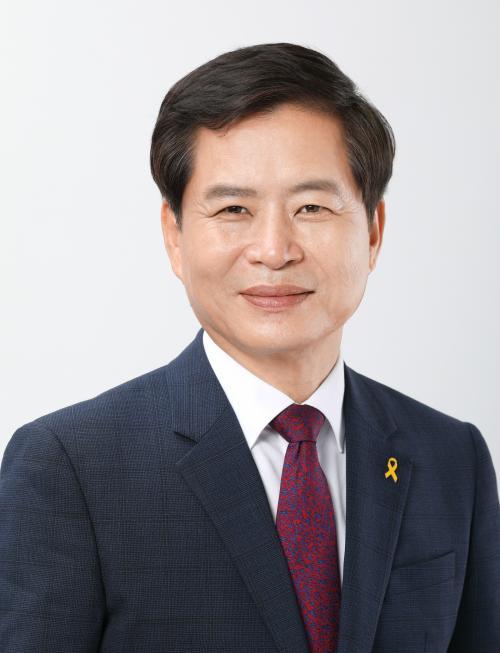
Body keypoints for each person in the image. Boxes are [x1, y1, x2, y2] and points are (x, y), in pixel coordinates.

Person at [1, 42, 498, 653]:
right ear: (175, 236)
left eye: (311, 207)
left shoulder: (451, 458)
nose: (273, 250)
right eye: (234, 209)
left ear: (373, 232)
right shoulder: (70, 467)